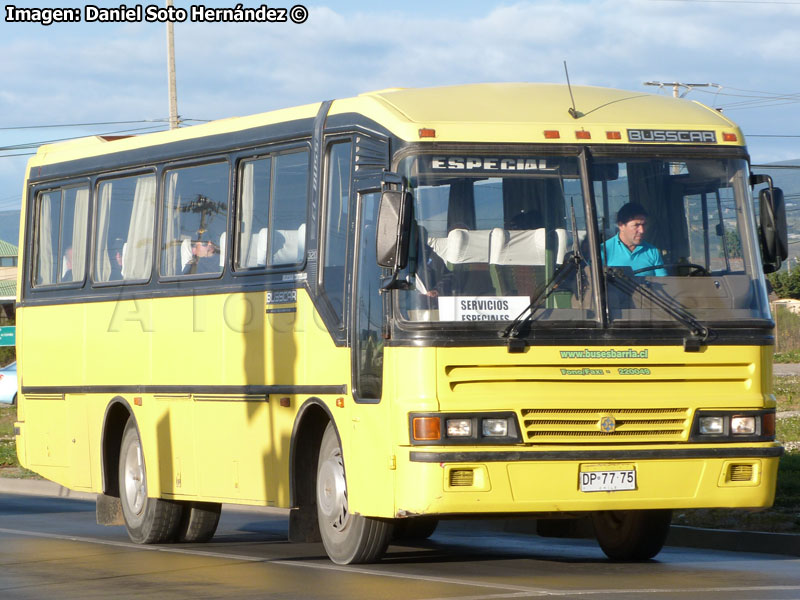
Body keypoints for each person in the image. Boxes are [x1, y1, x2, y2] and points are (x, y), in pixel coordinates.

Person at [602, 202, 666, 276]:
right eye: (636, 225)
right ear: (621, 225)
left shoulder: (652, 252)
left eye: (644, 225)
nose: (642, 230)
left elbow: (665, 282)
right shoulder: (603, 251)